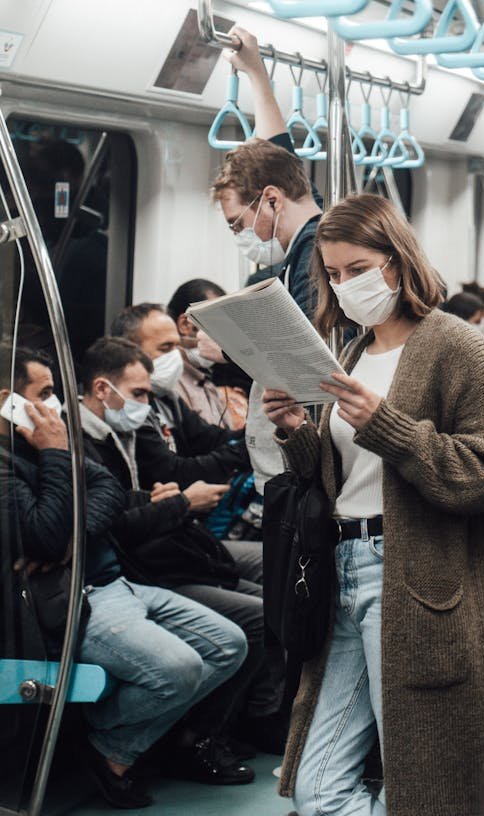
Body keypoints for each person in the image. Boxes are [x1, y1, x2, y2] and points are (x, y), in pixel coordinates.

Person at [256, 193, 484, 816]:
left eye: (358, 270)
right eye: (334, 275)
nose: (347, 286)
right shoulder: (352, 347)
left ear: (399, 262)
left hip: (417, 580)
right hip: (346, 567)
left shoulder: (456, 346)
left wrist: (389, 426)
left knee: (430, 786)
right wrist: (301, 430)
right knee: (324, 783)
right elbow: (338, 477)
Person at [0, 348, 249, 807]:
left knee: (229, 644)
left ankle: (110, 743)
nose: (57, 406)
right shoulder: (17, 458)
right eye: (46, 393)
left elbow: (107, 489)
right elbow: (44, 536)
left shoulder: (44, 445)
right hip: (74, 599)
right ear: (7, 401)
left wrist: (74, 535)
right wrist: (56, 455)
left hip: (118, 581)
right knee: (180, 667)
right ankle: (111, 750)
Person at [78, 336, 287, 756]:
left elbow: (135, 497)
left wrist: (167, 501)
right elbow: (110, 526)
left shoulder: (131, 426)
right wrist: (179, 503)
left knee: (277, 594)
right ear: (103, 388)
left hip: (169, 549)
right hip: (146, 566)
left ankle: (251, 717)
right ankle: (196, 737)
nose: (145, 402)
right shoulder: (82, 443)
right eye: (138, 394)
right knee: (259, 618)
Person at [211, 26, 324, 495]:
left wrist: (226, 348)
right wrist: (256, 71)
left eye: (238, 222)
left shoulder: (313, 257)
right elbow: (279, 152)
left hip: (308, 459)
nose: (240, 236)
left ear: (272, 200)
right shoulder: (308, 225)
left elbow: (305, 364)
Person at [109, 302, 250, 489]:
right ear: (130, 351)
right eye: (166, 348)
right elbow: (171, 472)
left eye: (177, 346)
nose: (175, 356)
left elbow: (209, 438)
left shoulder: (166, 398)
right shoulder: (126, 407)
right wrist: (242, 451)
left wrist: (257, 433)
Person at [166, 278, 249, 430]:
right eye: (216, 324)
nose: (224, 337)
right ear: (185, 324)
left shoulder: (208, 377)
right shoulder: (167, 380)